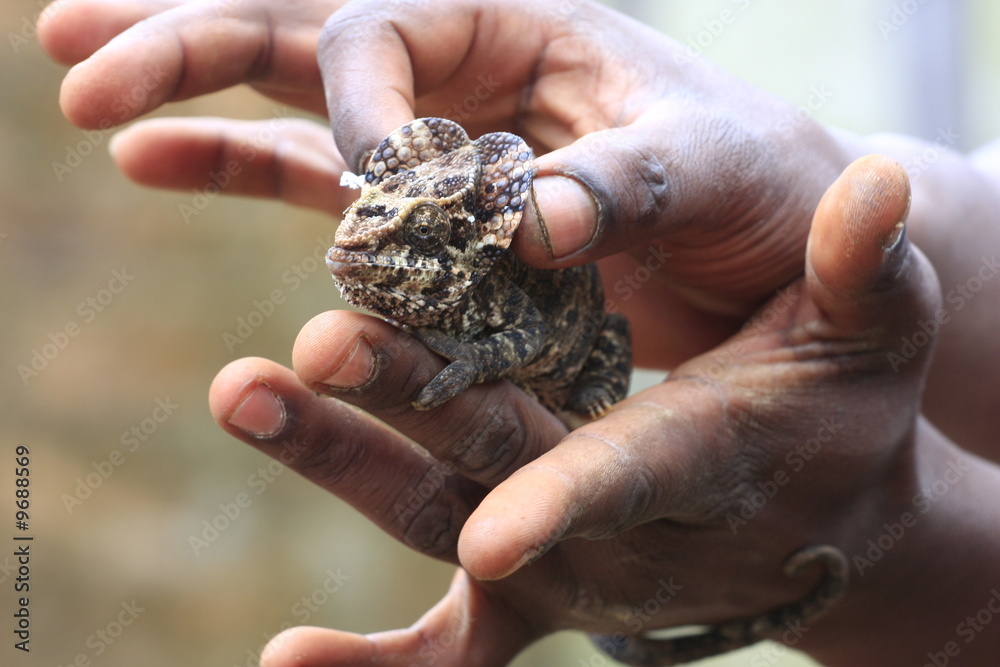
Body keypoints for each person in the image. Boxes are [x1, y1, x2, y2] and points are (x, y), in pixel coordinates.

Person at [41, 1, 1000, 665]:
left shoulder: (498, 281)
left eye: (411, 236)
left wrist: (896, 563)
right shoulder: (425, 248)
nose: (361, 247)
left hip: (576, 352)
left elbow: (522, 342)